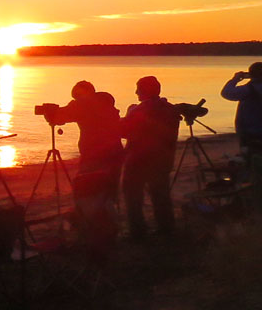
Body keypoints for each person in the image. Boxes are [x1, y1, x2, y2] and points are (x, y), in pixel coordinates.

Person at [120, 76, 181, 241]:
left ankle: (138, 232)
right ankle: (166, 228)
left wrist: (128, 114)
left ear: (145, 91)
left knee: (132, 195)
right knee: (160, 194)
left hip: (139, 159)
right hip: (163, 158)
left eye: (138, 89)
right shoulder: (170, 109)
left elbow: (123, 131)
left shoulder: (139, 111)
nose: (136, 92)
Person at [45, 80, 124, 198]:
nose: (76, 99)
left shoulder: (82, 105)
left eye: (77, 96)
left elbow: (59, 118)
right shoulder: (106, 103)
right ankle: (110, 211)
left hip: (93, 152)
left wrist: (49, 114)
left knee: (88, 187)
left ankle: (92, 213)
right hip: (115, 150)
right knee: (109, 189)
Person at [220, 61, 262, 159]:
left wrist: (235, 79)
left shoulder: (249, 89)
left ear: (251, 73)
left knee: (249, 154)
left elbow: (226, 93)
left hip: (247, 128)